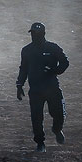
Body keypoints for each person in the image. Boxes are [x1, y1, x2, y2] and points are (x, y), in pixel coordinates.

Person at [16, 22, 69, 152]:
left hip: (52, 88)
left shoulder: (53, 48)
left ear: (44, 34)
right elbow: (23, 68)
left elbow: (65, 62)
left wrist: (55, 71)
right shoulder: (27, 50)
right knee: (36, 117)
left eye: (37, 34)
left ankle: (57, 129)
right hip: (35, 90)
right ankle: (40, 143)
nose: (35, 36)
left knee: (58, 114)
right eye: (33, 33)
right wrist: (19, 85)